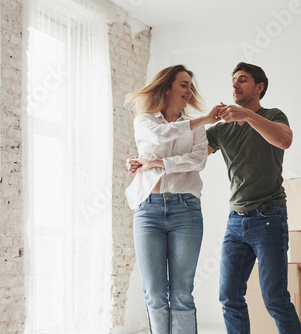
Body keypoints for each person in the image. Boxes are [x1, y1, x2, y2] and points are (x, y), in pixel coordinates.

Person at [207, 62, 301, 333]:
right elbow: (190, 157)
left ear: (259, 87)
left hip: (269, 218)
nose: (235, 85)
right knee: (230, 298)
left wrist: (247, 115)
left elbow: (284, 140)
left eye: (243, 80)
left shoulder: (273, 115)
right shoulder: (221, 129)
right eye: (234, 81)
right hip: (235, 222)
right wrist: (149, 161)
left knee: (275, 299)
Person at [124, 64, 219, 334]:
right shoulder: (145, 120)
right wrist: (202, 120)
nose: (190, 90)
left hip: (185, 211)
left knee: (182, 294)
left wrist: (156, 162)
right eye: (184, 84)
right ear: (167, 88)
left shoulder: (198, 130)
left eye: (191, 85)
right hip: (148, 211)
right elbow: (159, 135)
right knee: (154, 292)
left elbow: (198, 160)